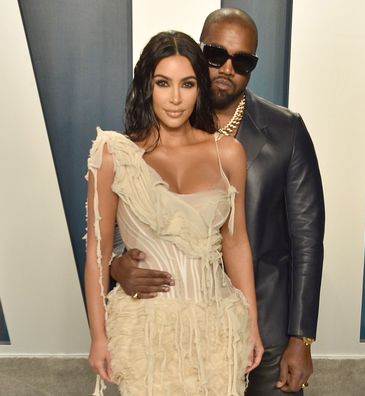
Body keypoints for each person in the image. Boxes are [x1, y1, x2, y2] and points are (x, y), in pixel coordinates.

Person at [110, 8, 325, 396]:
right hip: (182, 319)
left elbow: (307, 239)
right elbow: (120, 218)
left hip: (267, 324)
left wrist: (302, 338)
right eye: (215, 55)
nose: (227, 68)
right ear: (197, 50)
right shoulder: (157, 127)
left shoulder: (286, 130)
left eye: (242, 61)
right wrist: (117, 264)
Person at [85, 30, 263, 396]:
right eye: (163, 83)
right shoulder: (113, 156)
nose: (176, 99)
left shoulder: (228, 153)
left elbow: (236, 242)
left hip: (219, 326)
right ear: (146, 86)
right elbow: (97, 253)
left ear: (200, 89)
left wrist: (252, 325)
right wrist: (98, 336)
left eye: (188, 84)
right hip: (145, 329)